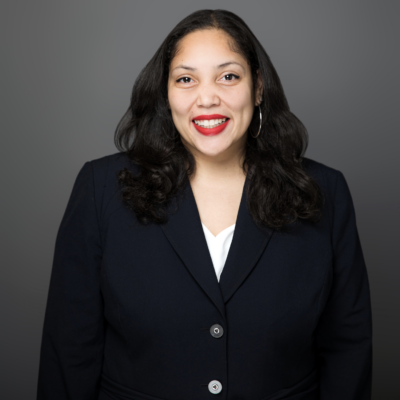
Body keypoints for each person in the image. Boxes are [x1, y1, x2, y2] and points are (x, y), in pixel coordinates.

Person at [37, 9, 373, 400]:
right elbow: (68, 353)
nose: (208, 97)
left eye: (228, 76)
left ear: (258, 87)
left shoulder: (325, 191)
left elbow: (348, 348)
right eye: (185, 79)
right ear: (166, 93)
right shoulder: (99, 189)